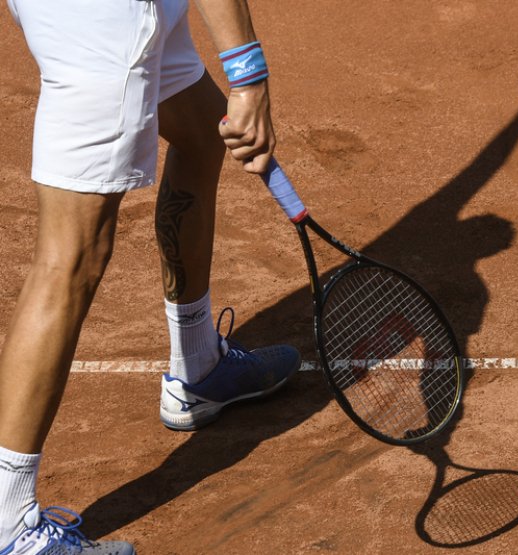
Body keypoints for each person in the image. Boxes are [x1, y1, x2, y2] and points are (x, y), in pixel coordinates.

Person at [0, 1, 300, 553]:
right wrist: (249, 76)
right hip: (103, 16)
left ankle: (199, 366)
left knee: (201, 133)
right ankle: (8, 524)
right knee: (69, 260)